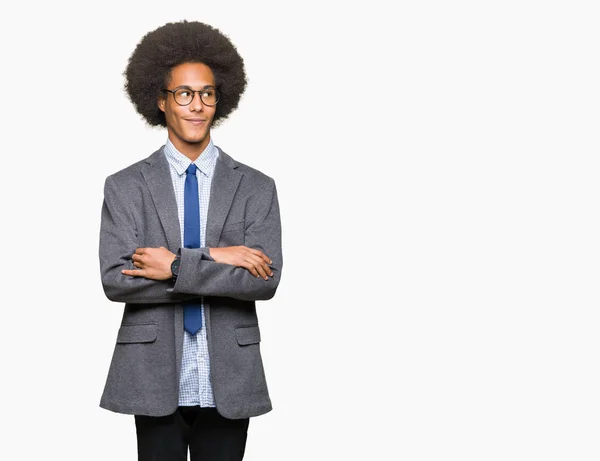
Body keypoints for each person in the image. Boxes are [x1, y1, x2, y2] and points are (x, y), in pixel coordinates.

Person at [98, 20, 283, 461]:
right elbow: (116, 280)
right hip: (152, 374)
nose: (196, 105)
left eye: (206, 93)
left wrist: (176, 265)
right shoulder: (126, 186)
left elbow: (263, 281)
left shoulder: (257, 187)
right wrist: (220, 257)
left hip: (230, 377)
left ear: (220, 99)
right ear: (161, 101)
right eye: (183, 93)